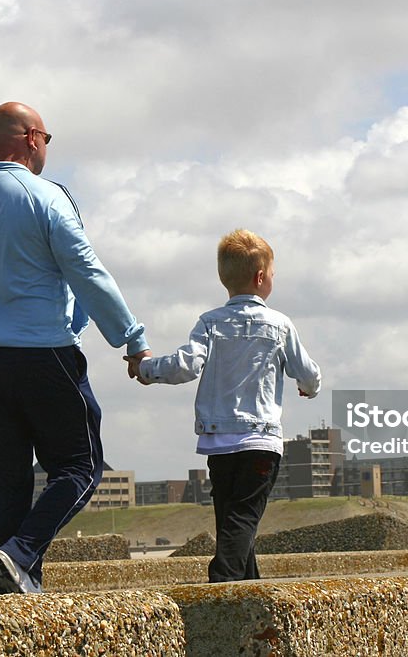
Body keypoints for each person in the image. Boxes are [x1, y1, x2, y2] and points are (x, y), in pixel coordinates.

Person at [0, 101, 151, 594]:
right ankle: (21, 552)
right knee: (81, 466)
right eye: (47, 139)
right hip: (45, 352)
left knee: (3, 485)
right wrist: (132, 340)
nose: (47, 147)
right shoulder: (46, 197)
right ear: (32, 139)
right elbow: (86, 272)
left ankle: (3, 599)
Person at [128, 229, 320, 582]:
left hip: (219, 444)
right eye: (274, 275)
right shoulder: (280, 325)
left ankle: (248, 593)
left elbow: (186, 365)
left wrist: (145, 367)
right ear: (262, 277)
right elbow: (308, 372)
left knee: (232, 518)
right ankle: (222, 583)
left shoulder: (210, 323)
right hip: (260, 441)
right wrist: (309, 388)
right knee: (242, 520)